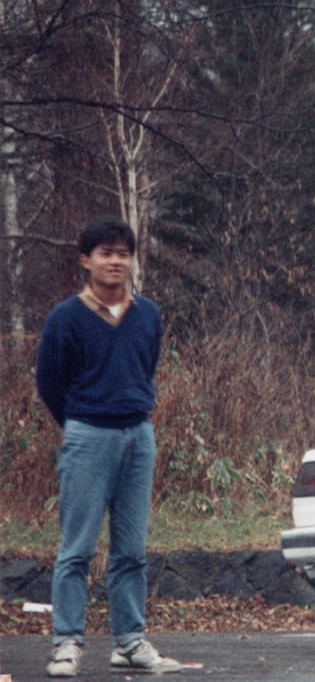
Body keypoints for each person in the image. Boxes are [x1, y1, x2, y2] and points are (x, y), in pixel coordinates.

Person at [35, 217, 182, 677]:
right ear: (86, 260)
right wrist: (82, 423)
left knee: (132, 551)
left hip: (139, 436)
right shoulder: (65, 318)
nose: (115, 261)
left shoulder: (149, 314)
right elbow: (49, 382)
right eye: (105, 252)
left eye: (123, 253)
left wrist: (125, 417)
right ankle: (66, 643)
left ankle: (130, 642)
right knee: (76, 549)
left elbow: (146, 366)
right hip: (87, 437)